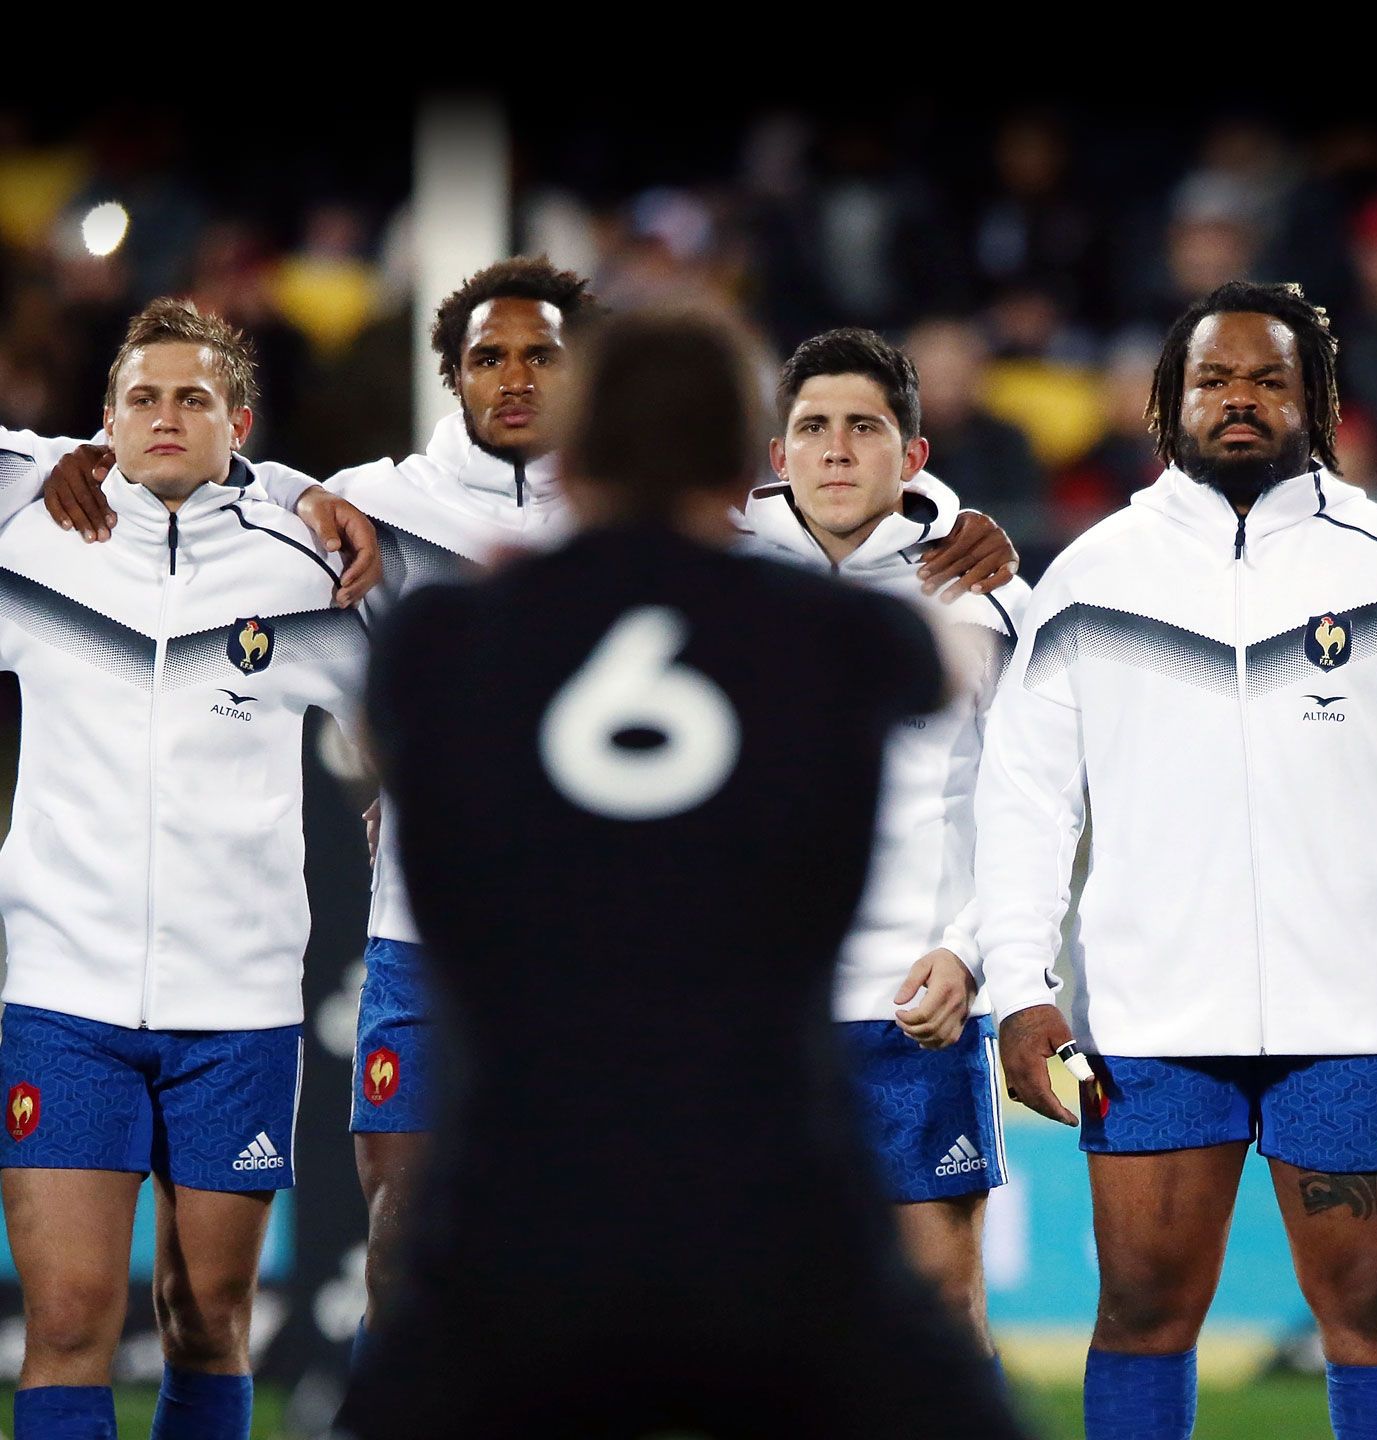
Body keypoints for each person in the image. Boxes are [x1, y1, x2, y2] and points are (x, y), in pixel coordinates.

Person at [43, 257, 1018, 1334]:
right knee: (414, 1238)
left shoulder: (718, 538)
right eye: (488, 357)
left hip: (635, 959)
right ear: (451, 376)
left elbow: (853, 511)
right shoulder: (371, 506)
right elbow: (233, 487)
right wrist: (156, 467)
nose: (513, 378)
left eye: (544, 356)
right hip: (430, 943)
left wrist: (945, 514)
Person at [337, 306, 1021, 1439]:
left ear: (579, 452)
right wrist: (949, 517)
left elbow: (393, 740)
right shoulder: (845, 638)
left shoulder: (446, 640)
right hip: (774, 1186)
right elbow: (937, 656)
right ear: (739, 467)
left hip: (523, 1192)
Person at [976, 281, 1377, 1440]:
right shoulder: (1092, 577)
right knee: (1141, 1309)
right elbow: (1023, 799)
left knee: (1372, 1308)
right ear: (1167, 404)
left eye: (1269, 381)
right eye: (1214, 380)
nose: (1239, 401)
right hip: (1149, 1009)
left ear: (1314, 404)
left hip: (1356, 1013)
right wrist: (1019, 989)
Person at [0, 300, 367, 1440]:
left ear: (238, 421)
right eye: (142, 398)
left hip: (239, 1005)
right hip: (64, 994)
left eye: (193, 398)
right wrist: (58, 460)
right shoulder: (31, 545)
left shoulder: (311, 569)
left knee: (209, 1318)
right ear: (103, 420)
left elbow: (401, 731)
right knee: (68, 1321)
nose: (167, 417)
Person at [739, 325, 1031, 1350]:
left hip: (911, 1009)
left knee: (938, 1315)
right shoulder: (707, 584)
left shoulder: (984, 598)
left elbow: (1029, 808)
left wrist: (970, 948)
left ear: (912, 455)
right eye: (811, 427)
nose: (835, 448)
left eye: (865, 427)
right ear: (777, 457)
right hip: (746, 1023)